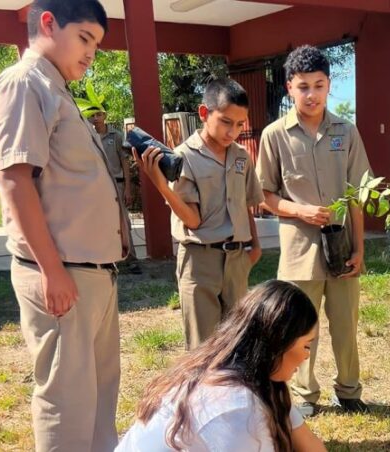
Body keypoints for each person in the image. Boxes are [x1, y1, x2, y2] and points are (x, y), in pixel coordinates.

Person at [0, 1, 130, 450]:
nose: (91, 54)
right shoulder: (24, 84)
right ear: (48, 23)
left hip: (91, 274)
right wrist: (51, 271)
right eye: (85, 38)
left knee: (99, 396)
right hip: (62, 273)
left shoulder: (59, 90)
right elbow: (14, 179)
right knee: (67, 403)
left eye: (98, 45)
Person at [256, 45, 372, 417]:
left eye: (319, 85)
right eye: (303, 86)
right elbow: (264, 195)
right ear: (289, 87)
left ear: (329, 85)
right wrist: (300, 210)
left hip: (341, 248)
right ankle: (305, 396)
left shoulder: (346, 131)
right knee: (299, 328)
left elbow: (358, 194)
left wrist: (360, 249)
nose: (312, 94)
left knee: (345, 325)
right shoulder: (274, 135)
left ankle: (349, 391)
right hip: (299, 251)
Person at [116, 280, 327, 452]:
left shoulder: (253, 379)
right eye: (306, 345)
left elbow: (311, 446)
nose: (307, 356)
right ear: (279, 343)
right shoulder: (236, 407)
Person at [135, 77, 264, 350]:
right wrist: (160, 184)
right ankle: (201, 395)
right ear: (204, 113)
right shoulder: (183, 157)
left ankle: (231, 394)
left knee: (237, 344)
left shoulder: (241, 156)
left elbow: (246, 204)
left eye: (240, 124)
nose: (233, 131)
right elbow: (192, 220)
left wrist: (255, 246)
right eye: (226, 121)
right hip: (200, 261)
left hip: (237, 259)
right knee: (202, 347)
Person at [89, 108, 142, 274]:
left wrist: (127, 188)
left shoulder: (116, 136)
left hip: (117, 184)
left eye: (99, 114)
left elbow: (125, 162)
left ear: (104, 116)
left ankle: (131, 259)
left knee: (123, 222)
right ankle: (109, 259)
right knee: (102, 222)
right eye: (92, 115)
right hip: (98, 186)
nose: (96, 118)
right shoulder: (88, 137)